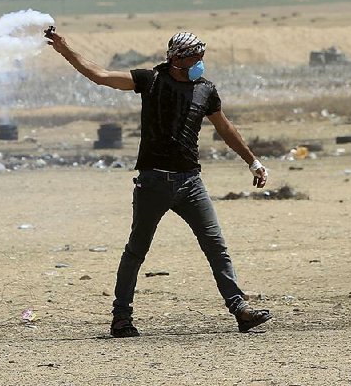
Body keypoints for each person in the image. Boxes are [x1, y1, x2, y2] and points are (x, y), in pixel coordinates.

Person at [44, 27, 272, 337]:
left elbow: (225, 127)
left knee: (216, 246)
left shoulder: (206, 89)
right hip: (153, 183)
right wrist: (65, 49)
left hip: (191, 182)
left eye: (202, 58)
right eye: (195, 58)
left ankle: (240, 309)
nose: (201, 63)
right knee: (136, 251)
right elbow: (99, 75)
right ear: (178, 60)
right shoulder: (150, 80)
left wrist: (252, 160)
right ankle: (121, 318)